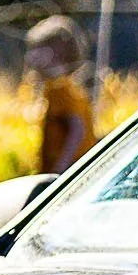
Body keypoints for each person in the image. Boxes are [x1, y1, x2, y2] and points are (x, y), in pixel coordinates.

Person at [26, 15, 97, 173]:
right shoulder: (65, 86)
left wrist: (59, 171)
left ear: (57, 52)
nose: (30, 57)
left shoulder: (59, 89)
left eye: (37, 50)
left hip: (69, 172)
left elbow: (78, 130)